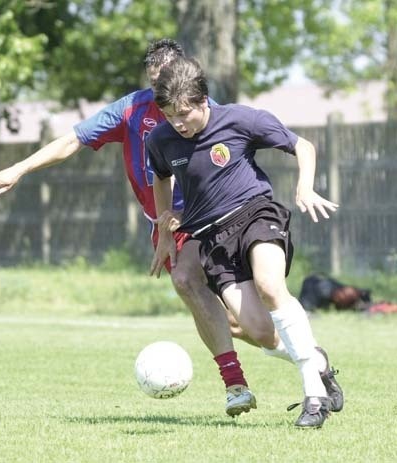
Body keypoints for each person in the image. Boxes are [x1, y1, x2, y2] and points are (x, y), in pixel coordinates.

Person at [0, 38, 282, 417]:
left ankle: (248, 378)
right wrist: (18, 168)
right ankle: (302, 359)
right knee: (238, 325)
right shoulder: (131, 110)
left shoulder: (204, 111)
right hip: (167, 222)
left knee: (194, 285)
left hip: (213, 219)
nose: (162, 95)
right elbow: (73, 140)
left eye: (167, 83)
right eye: (155, 85)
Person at [147, 56, 343, 428]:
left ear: (204, 101)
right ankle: (318, 363)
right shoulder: (161, 139)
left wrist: (305, 185)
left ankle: (313, 397)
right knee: (261, 333)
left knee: (271, 286)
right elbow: (160, 177)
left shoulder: (241, 119)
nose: (179, 123)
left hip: (256, 214)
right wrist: (165, 228)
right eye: (171, 115)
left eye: (185, 113)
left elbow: (303, 146)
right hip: (211, 239)